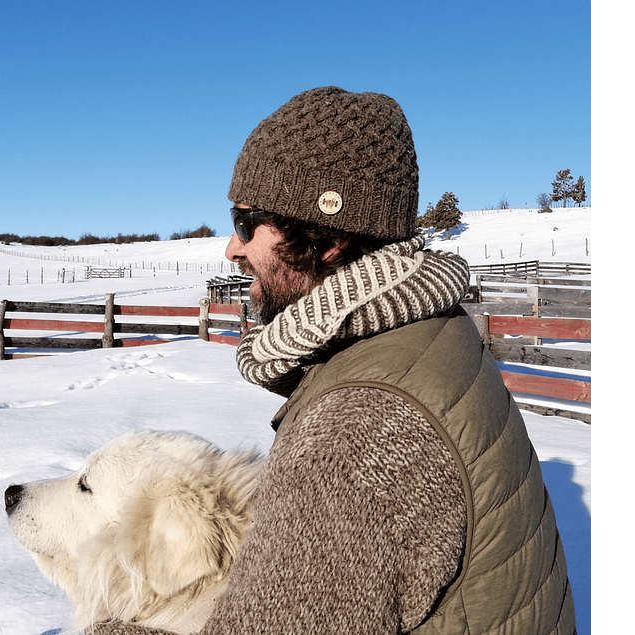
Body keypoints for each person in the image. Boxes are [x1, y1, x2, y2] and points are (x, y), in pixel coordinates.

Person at [198, 86, 576, 634]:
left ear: (325, 239)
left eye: (245, 221)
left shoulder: (359, 430)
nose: (231, 248)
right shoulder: (423, 329)